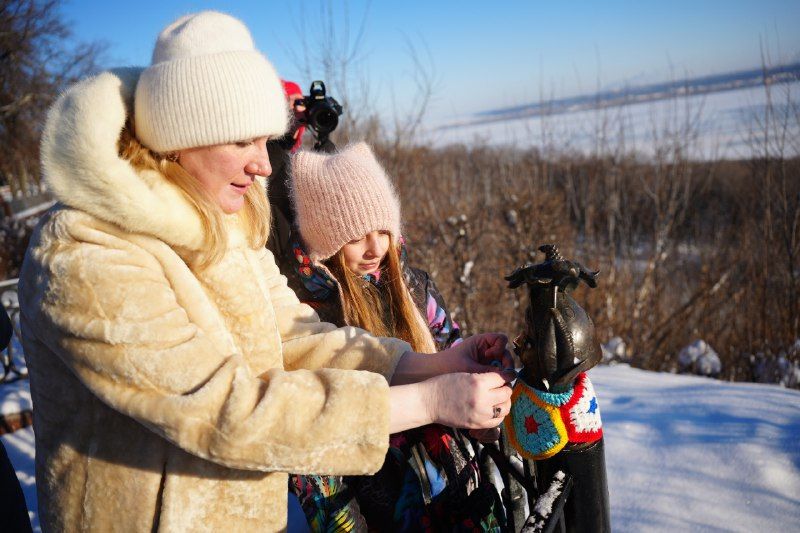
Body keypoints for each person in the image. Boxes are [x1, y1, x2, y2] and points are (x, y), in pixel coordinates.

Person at [16, 11, 513, 531]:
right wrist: (432, 401)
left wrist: (433, 365)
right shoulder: (85, 252)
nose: (265, 166)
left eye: (266, 139)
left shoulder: (221, 225)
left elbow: (295, 337)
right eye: (243, 141)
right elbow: (225, 413)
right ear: (180, 139)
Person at [287, 143, 506, 531]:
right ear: (327, 244)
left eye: (382, 231)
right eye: (356, 238)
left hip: (451, 476)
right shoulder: (315, 315)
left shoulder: (414, 287)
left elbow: (448, 345)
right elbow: (316, 443)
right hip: (376, 499)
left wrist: (481, 387)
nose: (375, 248)